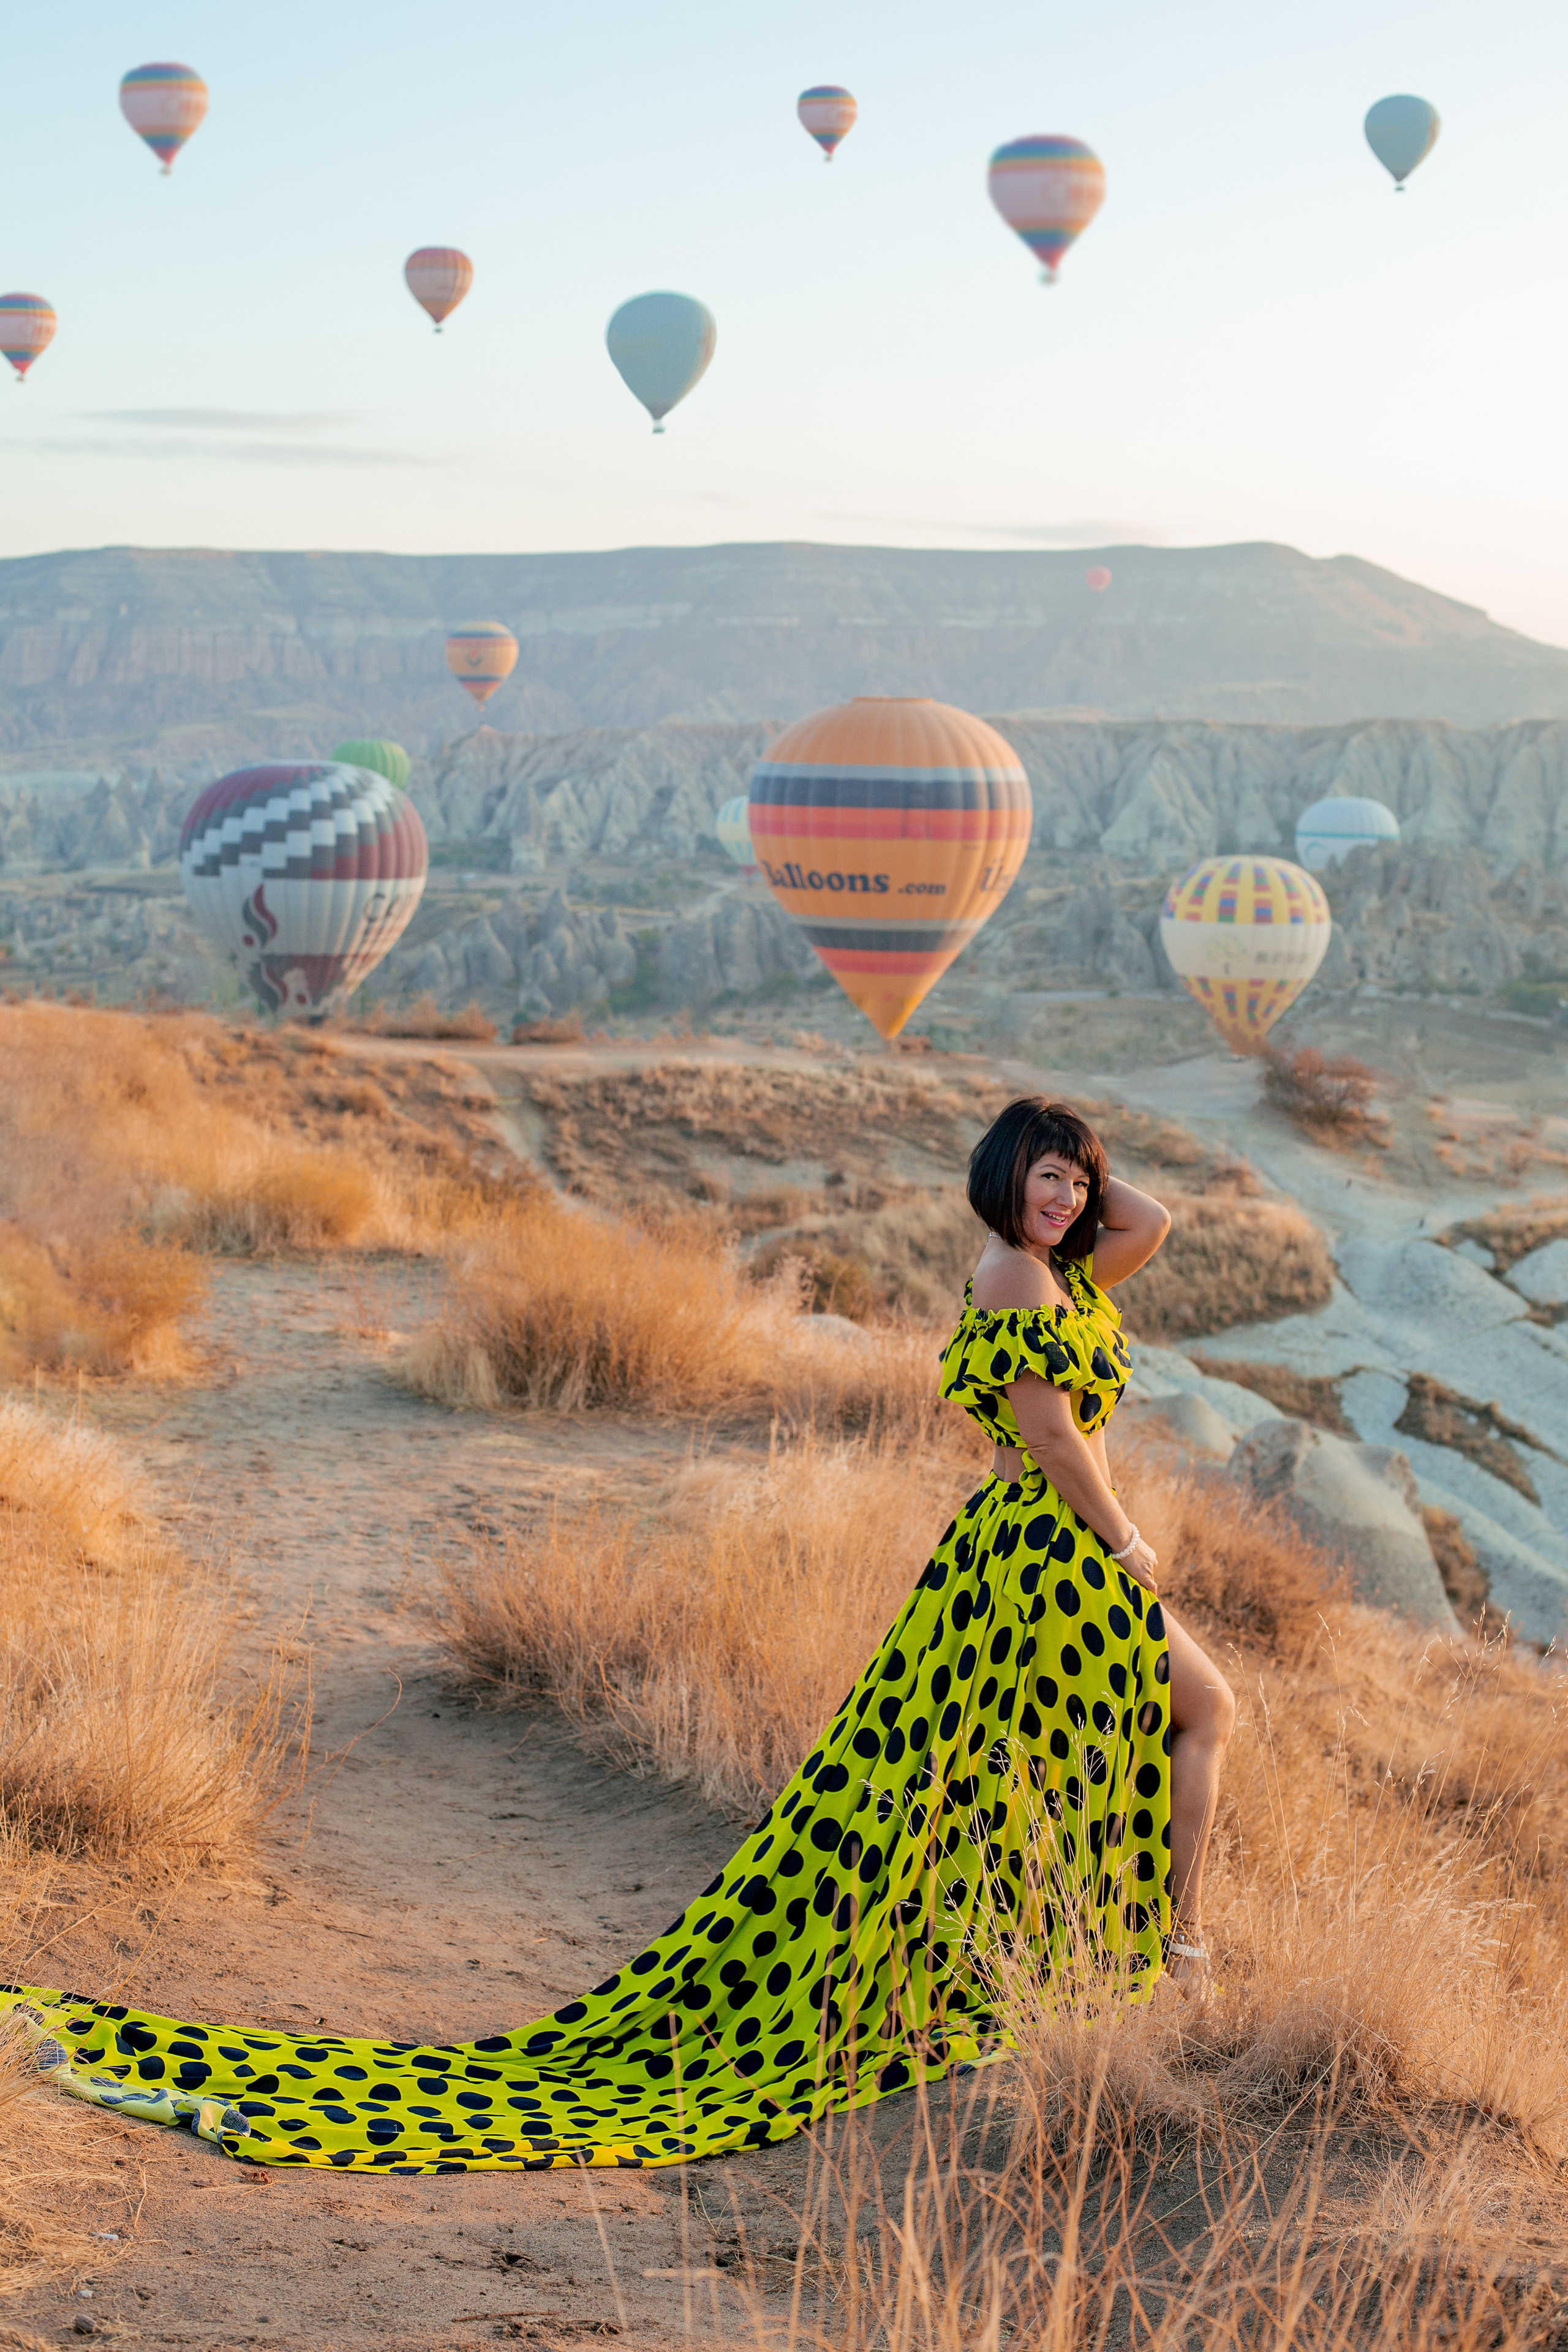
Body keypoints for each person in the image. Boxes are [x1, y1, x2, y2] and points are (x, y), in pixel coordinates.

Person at [1, 1098, 1232, 2174]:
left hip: (1044, 1552)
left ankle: (1131, 1946)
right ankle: (1166, 1948)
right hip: (1050, 1547)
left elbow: (1155, 1223)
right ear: (999, 1182)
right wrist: (1123, 1535)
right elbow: (1058, 1436)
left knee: (1089, 1746)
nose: (1072, 1197)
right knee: (1183, 1716)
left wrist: (1063, 1150)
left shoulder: (1065, 1271)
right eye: (1046, 1176)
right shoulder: (1015, 1280)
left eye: (1077, 1179)